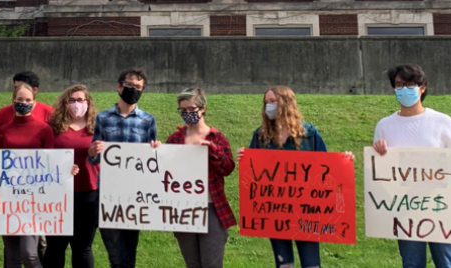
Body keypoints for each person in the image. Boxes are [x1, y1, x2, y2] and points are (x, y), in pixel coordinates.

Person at [371, 64, 451, 268]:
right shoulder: (384, 126)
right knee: (412, 264)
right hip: (406, 208)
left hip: (440, 206)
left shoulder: (442, 122)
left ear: (422, 87)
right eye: (399, 85)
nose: (404, 89)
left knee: (447, 263)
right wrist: (378, 152)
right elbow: (380, 173)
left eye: (410, 84)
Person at [236, 85, 353, 268]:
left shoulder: (309, 135)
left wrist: (344, 161)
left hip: (307, 212)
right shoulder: (260, 136)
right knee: (284, 264)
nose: (269, 106)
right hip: (274, 213)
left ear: (286, 103)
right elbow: (252, 178)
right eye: (266, 102)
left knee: (311, 264)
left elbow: (328, 169)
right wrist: (244, 158)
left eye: (273, 101)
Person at [0, 83, 76, 268]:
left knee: (29, 254)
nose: (23, 103)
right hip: (8, 198)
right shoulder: (2, 131)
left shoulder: (44, 130)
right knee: (12, 257)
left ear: (34, 103)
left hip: (34, 200)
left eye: (27, 100)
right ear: (13, 101)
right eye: (19, 100)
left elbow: (49, 163)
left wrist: (65, 169)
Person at [88, 68, 158, 268]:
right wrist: (93, 153)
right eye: (130, 86)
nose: (133, 90)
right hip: (108, 193)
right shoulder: (102, 118)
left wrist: (156, 151)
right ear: (119, 87)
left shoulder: (148, 120)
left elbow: (152, 162)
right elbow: (93, 158)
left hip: (134, 194)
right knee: (115, 254)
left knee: (129, 251)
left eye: (138, 87)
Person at [165, 88, 235, 268]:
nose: (187, 113)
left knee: (212, 264)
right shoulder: (175, 139)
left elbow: (228, 168)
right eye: (183, 110)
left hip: (212, 207)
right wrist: (157, 152)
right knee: (192, 264)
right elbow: (163, 172)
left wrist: (213, 150)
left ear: (203, 108)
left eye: (191, 109)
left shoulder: (217, 137)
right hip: (183, 209)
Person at [43, 84, 100, 268]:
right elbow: (42, 158)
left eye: (80, 100)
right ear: (65, 103)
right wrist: (61, 167)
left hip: (89, 193)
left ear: (88, 103)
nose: (77, 104)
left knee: (82, 247)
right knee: (55, 247)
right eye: (72, 100)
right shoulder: (52, 127)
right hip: (57, 194)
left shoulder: (99, 128)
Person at [0, 71, 53, 136]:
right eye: (16, 88)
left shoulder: (49, 112)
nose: (17, 91)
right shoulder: (5, 112)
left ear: (34, 90)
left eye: (22, 88)